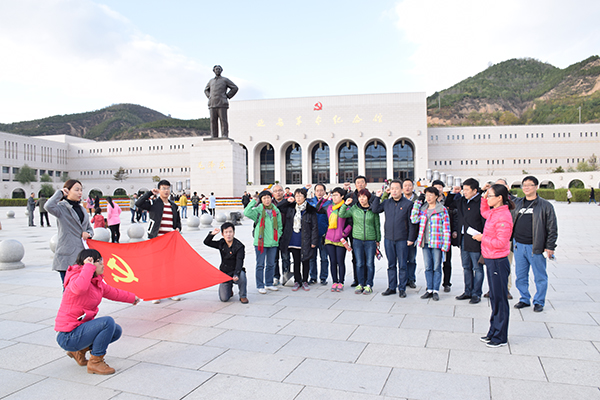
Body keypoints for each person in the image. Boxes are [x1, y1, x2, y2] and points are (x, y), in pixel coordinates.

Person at [55, 249, 140, 375]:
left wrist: (132, 298)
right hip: (68, 336)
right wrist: (88, 267)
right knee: (107, 322)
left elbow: (113, 292)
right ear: (89, 263)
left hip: (79, 331)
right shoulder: (76, 278)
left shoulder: (95, 282)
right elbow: (80, 288)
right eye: (99, 262)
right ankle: (96, 362)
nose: (103, 265)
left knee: (115, 330)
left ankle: (79, 352)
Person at [474, 184, 514, 348]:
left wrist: (482, 238)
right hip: (490, 259)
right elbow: (484, 211)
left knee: (499, 299)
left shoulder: (503, 216)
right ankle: (493, 331)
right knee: (494, 298)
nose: (487, 198)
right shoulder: (494, 212)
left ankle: (500, 336)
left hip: (498, 260)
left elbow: (501, 242)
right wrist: (484, 197)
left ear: (499, 198)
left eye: (490, 196)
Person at [512, 176, 558, 313]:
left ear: (536, 187)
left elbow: (552, 227)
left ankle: (539, 301)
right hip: (519, 245)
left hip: (536, 246)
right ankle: (524, 298)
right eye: (524, 185)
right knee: (520, 275)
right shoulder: (517, 203)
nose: (526, 187)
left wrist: (550, 246)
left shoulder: (545, 205)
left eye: (529, 185)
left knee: (540, 276)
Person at [136, 180, 182, 304]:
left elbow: (178, 223)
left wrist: (178, 228)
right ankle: (155, 293)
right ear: (159, 190)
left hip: (169, 242)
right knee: (156, 268)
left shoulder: (174, 206)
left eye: (168, 188)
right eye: (163, 188)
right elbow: (138, 203)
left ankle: (171, 291)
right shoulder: (153, 203)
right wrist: (149, 193)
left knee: (170, 268)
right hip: (156, 241)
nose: (166, 191)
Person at [371, 180, 417, 298]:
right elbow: (375, 209)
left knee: (402, 265)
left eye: (397, 188)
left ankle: (402, 288)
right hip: (389, 239)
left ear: (401, 190)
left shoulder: (408, 204)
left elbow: (412, 223)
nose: (394, 191)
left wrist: (411, 238)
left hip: (402, 239)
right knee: (391, 264)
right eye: (392, 188)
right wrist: (378, 196)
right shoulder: (387, 202)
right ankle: (392, 287)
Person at [45, 180, 94, 284]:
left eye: (81, 190)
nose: (80, 193)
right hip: (67, 257)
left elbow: (89, 228)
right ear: (67, 191)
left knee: (82, 288)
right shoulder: (61, 208)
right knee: (68, 289)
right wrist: (60, 193)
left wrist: (89, 234)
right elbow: (48, 206)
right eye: (76, 190)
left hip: (82, 257)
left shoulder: (82, 209)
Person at [410, 187, 451, 301]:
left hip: (437, 242)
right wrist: (417, 203)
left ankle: (436, 290)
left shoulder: (442, 209)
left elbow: (446, 228)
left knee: (437, 267)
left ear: (436, 196)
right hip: (425, 242)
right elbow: (414, 219)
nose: (428, 197)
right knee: (428, 267)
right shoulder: (423, 208)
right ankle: (429, 289)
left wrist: (446, 245)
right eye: (427, 195)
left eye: (431, 195)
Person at [339, 189, 381, 294]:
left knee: (369, 263)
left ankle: (369, 285)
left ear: (368, 198)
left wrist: (378, 239)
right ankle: (360, 283)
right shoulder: (354, 208)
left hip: (370, 240)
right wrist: (345, 204)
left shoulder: (373, 210)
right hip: (357, 240)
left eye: (364, 197)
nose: (361, 199)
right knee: (359, 263)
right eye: (359, 197)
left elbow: (377, 225)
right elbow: (342, 214)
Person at [453, 178, 486, 304]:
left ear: (475, 190)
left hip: (475, 239)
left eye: (467, 190)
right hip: (463, 239)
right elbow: (450, 203)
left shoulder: (481, 202)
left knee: (477, 268)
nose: (464, 192)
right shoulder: (462, 201)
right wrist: (453, 192)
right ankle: (467, 291)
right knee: (466, 266)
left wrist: (483, 237)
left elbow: (485, 221)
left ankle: (476, 293)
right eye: (463, 189)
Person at [278, 188, 318, 291]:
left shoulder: (310, 210)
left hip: (305, 239)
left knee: (305, 261)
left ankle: (305, 281)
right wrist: (287, 201)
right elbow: (279, 207)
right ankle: (297, 281)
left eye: (300, 196)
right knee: (296, 261)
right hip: (293, 239)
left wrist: (314, 241)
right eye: (296, 196)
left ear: (305, 197)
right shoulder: (291, 207)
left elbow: (314, 227)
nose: (298, 198)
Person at [244, 190, 282, 294]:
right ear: (261, 200)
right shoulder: (258, 210)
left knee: (271, 264)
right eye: (264, 198)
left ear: (271, 198)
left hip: (273, 242)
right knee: (260, 265)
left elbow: (279, 226)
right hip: (260, 242)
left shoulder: (276, 211)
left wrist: (277, 236)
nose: (267, 200)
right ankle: (260, 285)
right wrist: (253, 201)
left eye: (268, 197)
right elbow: (246, 212)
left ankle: (269, 283)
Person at [316, 187, 352, 292]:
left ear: (342, 196)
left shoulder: (346, 208)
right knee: (333, 261)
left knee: (340, 261)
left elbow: (350, 223)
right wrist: (323, 199)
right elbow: (317, 209)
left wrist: (344, 233)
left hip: (340, 239)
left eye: (336, 195)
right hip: (329, 238)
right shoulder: (329, 207)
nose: (334, 197)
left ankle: (341, 282)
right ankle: (335, 282)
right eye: (333, 195)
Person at [204, 222, 248, 304]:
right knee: (224, 298)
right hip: (225, 272)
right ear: (222, 234)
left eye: (230, 232)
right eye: (226, 232)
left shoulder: (239, 246)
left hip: (236, 270)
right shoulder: (222, 243)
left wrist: (236, 274)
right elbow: (207, 242)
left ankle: (243, 296)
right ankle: (229, 288)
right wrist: (212, 234)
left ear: (234, 233)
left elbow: (240, 261)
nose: (228, 234)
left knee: (242, 276)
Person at [343, 175, 373, 287]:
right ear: (355, 185)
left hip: (367, 231)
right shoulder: (350, 196)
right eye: (358, 182)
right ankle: (357, 279)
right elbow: (341, 204)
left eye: (362, 182)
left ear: (366, 184)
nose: (360, 184)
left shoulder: (371, 196)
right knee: (356, 257)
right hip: (353, 230)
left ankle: (366, 280)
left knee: (367, 258)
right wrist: (344, 190)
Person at [204, 65, 238, 138]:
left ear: (221, 70)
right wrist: (209, 96)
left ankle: (224, 134)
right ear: (214, 71)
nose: (217, 70)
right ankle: (214, 135)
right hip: (212, 103)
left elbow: (235, 88)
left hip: (222, 103)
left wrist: (227, 96)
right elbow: (206, 90)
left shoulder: (225, 80)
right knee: (213, 120)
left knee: (223, 120)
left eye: (219, 69)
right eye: (216, 69)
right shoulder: (211, 81)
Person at [307, 183, 330, 285]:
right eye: (317, 190)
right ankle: (313, 277)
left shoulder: (329, 203)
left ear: (325, 191)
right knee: (312, 258)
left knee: (324, 258)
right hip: (312, 235)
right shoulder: (310, 202)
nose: (319, 192)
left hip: (324, 234)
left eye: (321, 190)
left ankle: (323, 277)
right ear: (314, 192)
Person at [271, 184, 291, 285]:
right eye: (276, 191)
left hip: (285, 234)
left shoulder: (289, 203)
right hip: (273, 235)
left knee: (286, 257)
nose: (278, 193)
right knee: (274, 258)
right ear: (273, 193)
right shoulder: (269, 203)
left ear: (283, 192)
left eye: (280, 190)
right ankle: (275, 277)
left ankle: (286, 276)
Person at [402, 178, 419, 288]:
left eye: (409, 185)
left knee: (411, 258)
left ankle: (411, 279)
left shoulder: (418, 200)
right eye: (405, 186)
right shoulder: (398, 199)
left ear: (413, 187)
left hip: (413, 233)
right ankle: (403, 279)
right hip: (401, 233)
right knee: (402, 258)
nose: (407, 188)